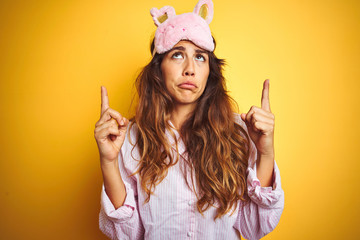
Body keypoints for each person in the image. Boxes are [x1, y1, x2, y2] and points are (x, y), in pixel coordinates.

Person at [94, 0, 284, 239]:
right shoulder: (129, 137)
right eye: (177, 55)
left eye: (200, 57)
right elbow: (127, 234)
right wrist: (108, 162)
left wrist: (266, 153)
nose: (190, 69)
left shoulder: (239, 133)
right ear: (158, 68)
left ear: (210, 72)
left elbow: (254, 226)